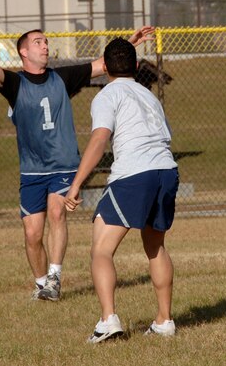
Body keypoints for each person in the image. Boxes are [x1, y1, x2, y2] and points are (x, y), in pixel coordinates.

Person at [0, 16, 155, 302]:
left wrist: (128, 45)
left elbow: (102, 65)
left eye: (46, 42)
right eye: (38, 42)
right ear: (24, 52)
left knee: (57, 212)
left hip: (64, 164)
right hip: (32, 170)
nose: (45, 46)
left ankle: (55, 278)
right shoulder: (16, 84)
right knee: (32, 234)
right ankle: (42, 283)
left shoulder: (61, 78)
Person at [65, 37, 179, 342]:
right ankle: (164, 320)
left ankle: (108, 320)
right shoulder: (148, 95)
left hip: (134, 174)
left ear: (104, 68)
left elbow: (100, 139)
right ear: (138, 66)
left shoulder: (106, 95)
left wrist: (76, 185)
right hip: (166, 171)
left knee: (101, 248)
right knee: (155, 246)